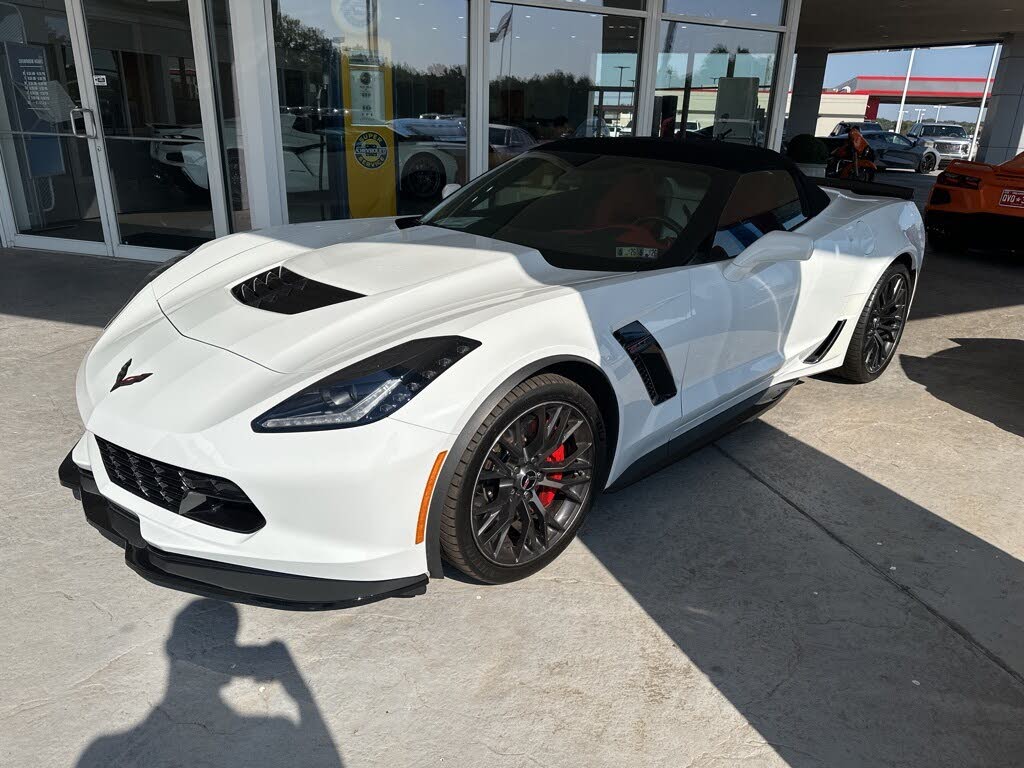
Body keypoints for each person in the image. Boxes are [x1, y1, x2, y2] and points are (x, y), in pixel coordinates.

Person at [76, 599, 342, 768]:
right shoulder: (279, 730)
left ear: (169, 648)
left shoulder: (103, 749)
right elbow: (330, 759)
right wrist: (300, 693)